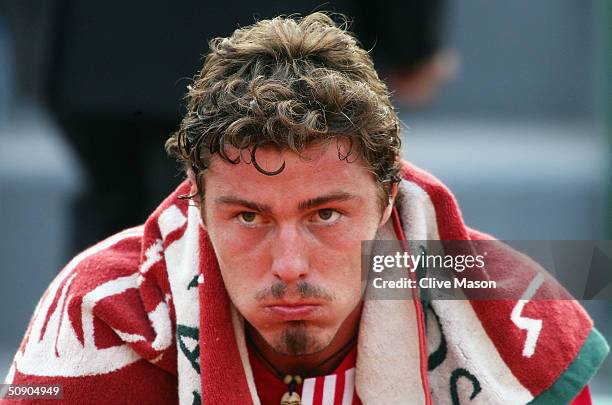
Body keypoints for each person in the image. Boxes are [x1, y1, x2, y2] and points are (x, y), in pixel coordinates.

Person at [2, 13, 607, 405]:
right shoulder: (94, 313)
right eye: (248, 218)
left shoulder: (512, 303)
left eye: (325, 215)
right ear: (198, 207)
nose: (289, 265)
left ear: (387, 201)